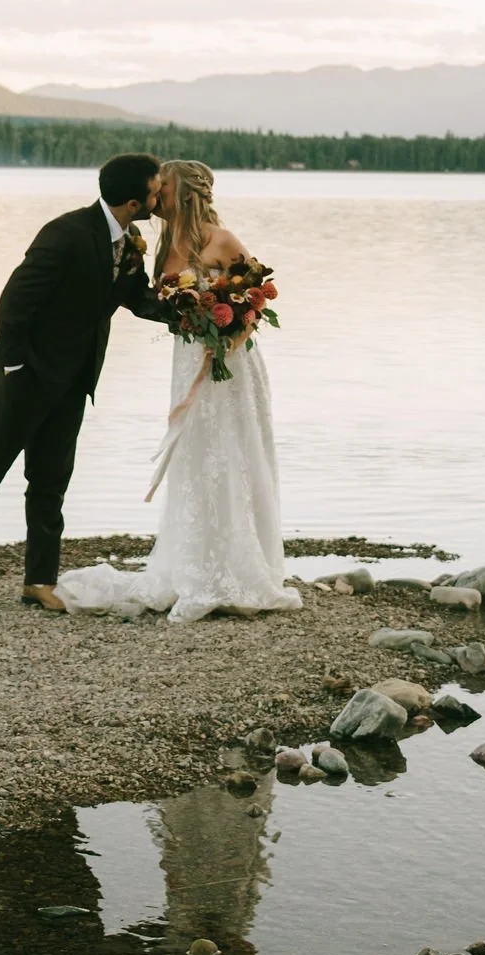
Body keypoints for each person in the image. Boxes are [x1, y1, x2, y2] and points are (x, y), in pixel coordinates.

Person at [56, 159, 302, 622]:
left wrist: (227, 340)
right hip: (187, 359)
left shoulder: (221, 239)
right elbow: (157, 303)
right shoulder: (163, 242)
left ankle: (240, 567)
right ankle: (193, 564)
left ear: (183, 195)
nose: (154, 196)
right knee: (196, 457)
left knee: (232, 453)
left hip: (229, 365)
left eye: (161, 189)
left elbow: (256, 295)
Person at [0, 153, 165, 618]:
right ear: (134, 200)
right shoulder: (66, 232)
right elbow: (15, 299)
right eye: (156, 192)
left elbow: (138, 299)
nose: (159, 200)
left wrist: (195, 316)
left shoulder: (131, 242)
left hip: (73, 383)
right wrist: (12, 368)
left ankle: (39, 581)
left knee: (51, 482)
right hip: (25, 379)